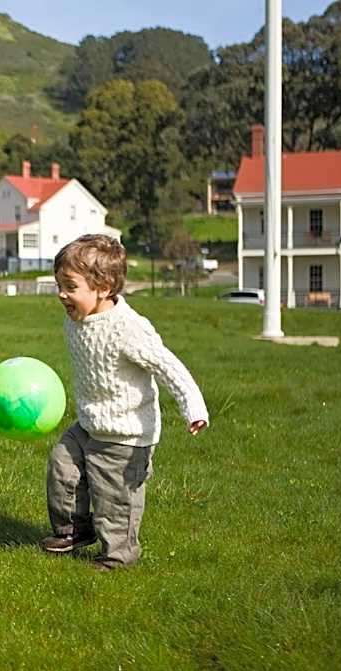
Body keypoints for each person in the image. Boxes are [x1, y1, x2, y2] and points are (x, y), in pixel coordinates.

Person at [39, 235, 208, 570]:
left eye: (70, 287)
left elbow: (168, 366)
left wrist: (194, 408)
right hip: (89, 423)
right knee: (62, 468)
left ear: (102, 287)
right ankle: (74, 530)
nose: (61, 294)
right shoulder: (76, 320)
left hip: (125, 435)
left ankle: (118, 557)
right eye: (59, 285)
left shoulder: (129, 329)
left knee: (115, 500)